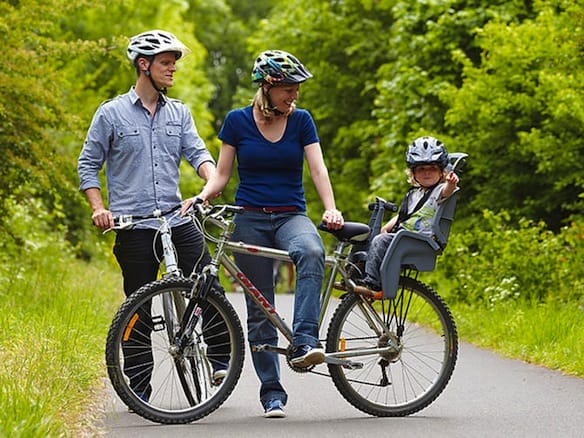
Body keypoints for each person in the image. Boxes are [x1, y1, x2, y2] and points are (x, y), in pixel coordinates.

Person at [182, 49, 344, 418]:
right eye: (289, 88)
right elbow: (221, 175)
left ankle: (305, 341)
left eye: (297, 89)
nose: (295, 95)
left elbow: (318, 169)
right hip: (250, 218)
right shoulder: (237, 122)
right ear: (268, 87)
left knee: (312, 252)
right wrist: (202, 196)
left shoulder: (302, 121)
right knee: (260, 307)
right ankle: (272, 393)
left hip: (291, 216)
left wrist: (330, 207)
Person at [77, 29, 228, 404]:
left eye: (174, 63)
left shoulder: (179, 113)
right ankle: (139, 385)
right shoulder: (110, 114)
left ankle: (222, 360)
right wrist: (99, 208)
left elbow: (198, 154)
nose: (172, 69)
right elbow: (87, 165)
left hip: (178, 219)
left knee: (209, 287)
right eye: (165, 63)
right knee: (137, 306)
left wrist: (210, 182)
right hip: (134, 225)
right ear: (143, 66)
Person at [355, 136, 459, 294]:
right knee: (365, 236)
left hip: (418, 239)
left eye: (432, 168)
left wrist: (451, 183)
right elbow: (403, 217)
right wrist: (386, 228)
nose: (426, 173)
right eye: (421, 169)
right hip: (403, 235)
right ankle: (354, 276)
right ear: (413, 173)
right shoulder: (413, 194)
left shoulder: (438, 191)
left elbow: (447, 192)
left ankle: (372, 283)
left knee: (381, 240)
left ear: (441, 171)